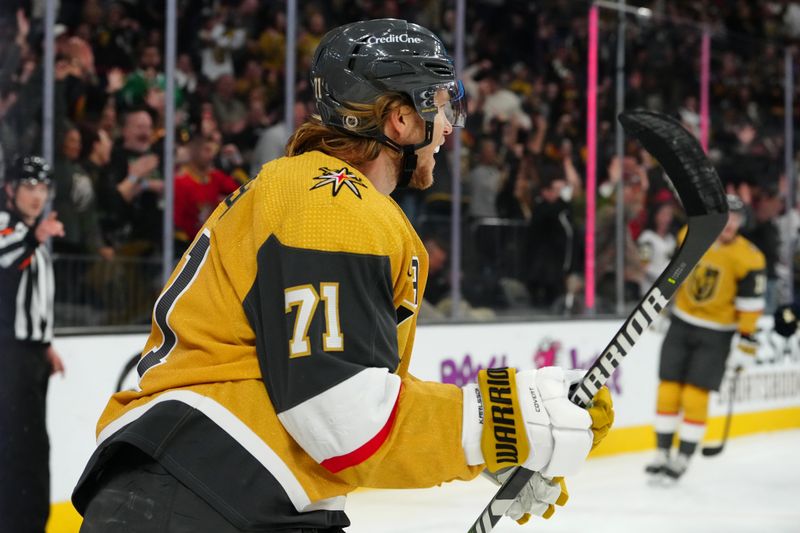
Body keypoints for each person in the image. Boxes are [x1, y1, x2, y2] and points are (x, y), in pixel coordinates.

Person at [73, 19, 613, 532]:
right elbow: (339, 415)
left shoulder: (311, 192)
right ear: (401, 119)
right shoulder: (329, 199)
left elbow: (345, 397)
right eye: (442, 106)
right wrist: (501, 419)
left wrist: (494, 445)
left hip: (213, 489)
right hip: (206, 491)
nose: (449, 126)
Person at [646, 194, 766, 481]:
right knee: (668, 391)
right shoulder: (690, 235)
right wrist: (661, 307)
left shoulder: (749, 258)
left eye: (736, 218)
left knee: (695, 396)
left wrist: (746, 343)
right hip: (682, 322)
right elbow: (673, 274)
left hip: (717, 333)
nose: (730, 223)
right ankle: (662, 452)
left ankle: (683, 456)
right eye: (726, 217)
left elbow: (750, 305)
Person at [0, 156, 66, 532]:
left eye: (43, 188)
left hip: (29, 357)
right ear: (10, 190)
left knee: (32, 447)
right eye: (29, 187)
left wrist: (45, 346)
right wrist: (35, 235)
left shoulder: (29, 233)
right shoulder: (9, 227)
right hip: (8, 359)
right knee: (18, 448)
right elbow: (7, 259)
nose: (37, 195)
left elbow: (30, 300)